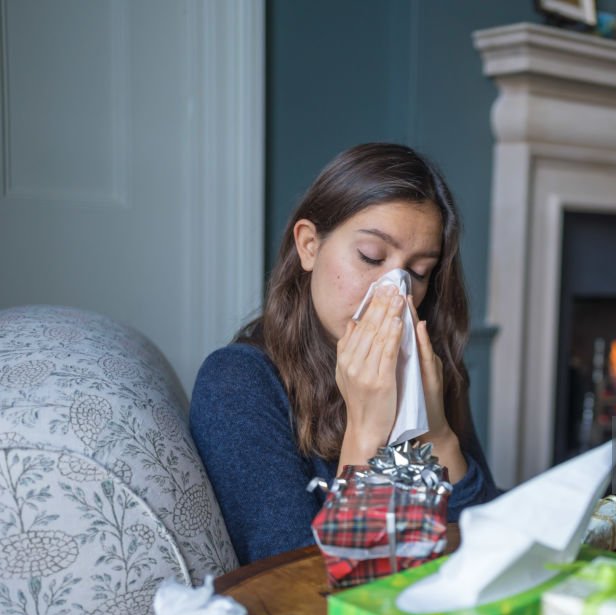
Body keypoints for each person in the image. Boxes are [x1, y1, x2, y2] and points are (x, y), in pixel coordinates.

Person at [190, 143, 499, 565]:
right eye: (371, 257)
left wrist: (437, 434)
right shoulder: (238, 384)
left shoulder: (430, 364)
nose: (394, 291)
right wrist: (366, 432)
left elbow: (496, 549)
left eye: (417, 272)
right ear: (309, 245)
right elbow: (298, 591)